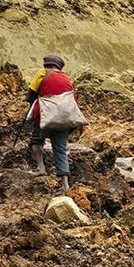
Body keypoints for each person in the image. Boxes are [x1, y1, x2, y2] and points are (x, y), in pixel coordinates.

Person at [27, 55, 82, 191]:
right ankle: (65, 186)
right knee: (60, 149)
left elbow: (31, 93)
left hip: (45, 117)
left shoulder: (42, 73)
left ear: (46, 64)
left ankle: (41, 169)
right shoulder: (66, 77)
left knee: (36, 142)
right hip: (64, 119)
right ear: (59, 66)